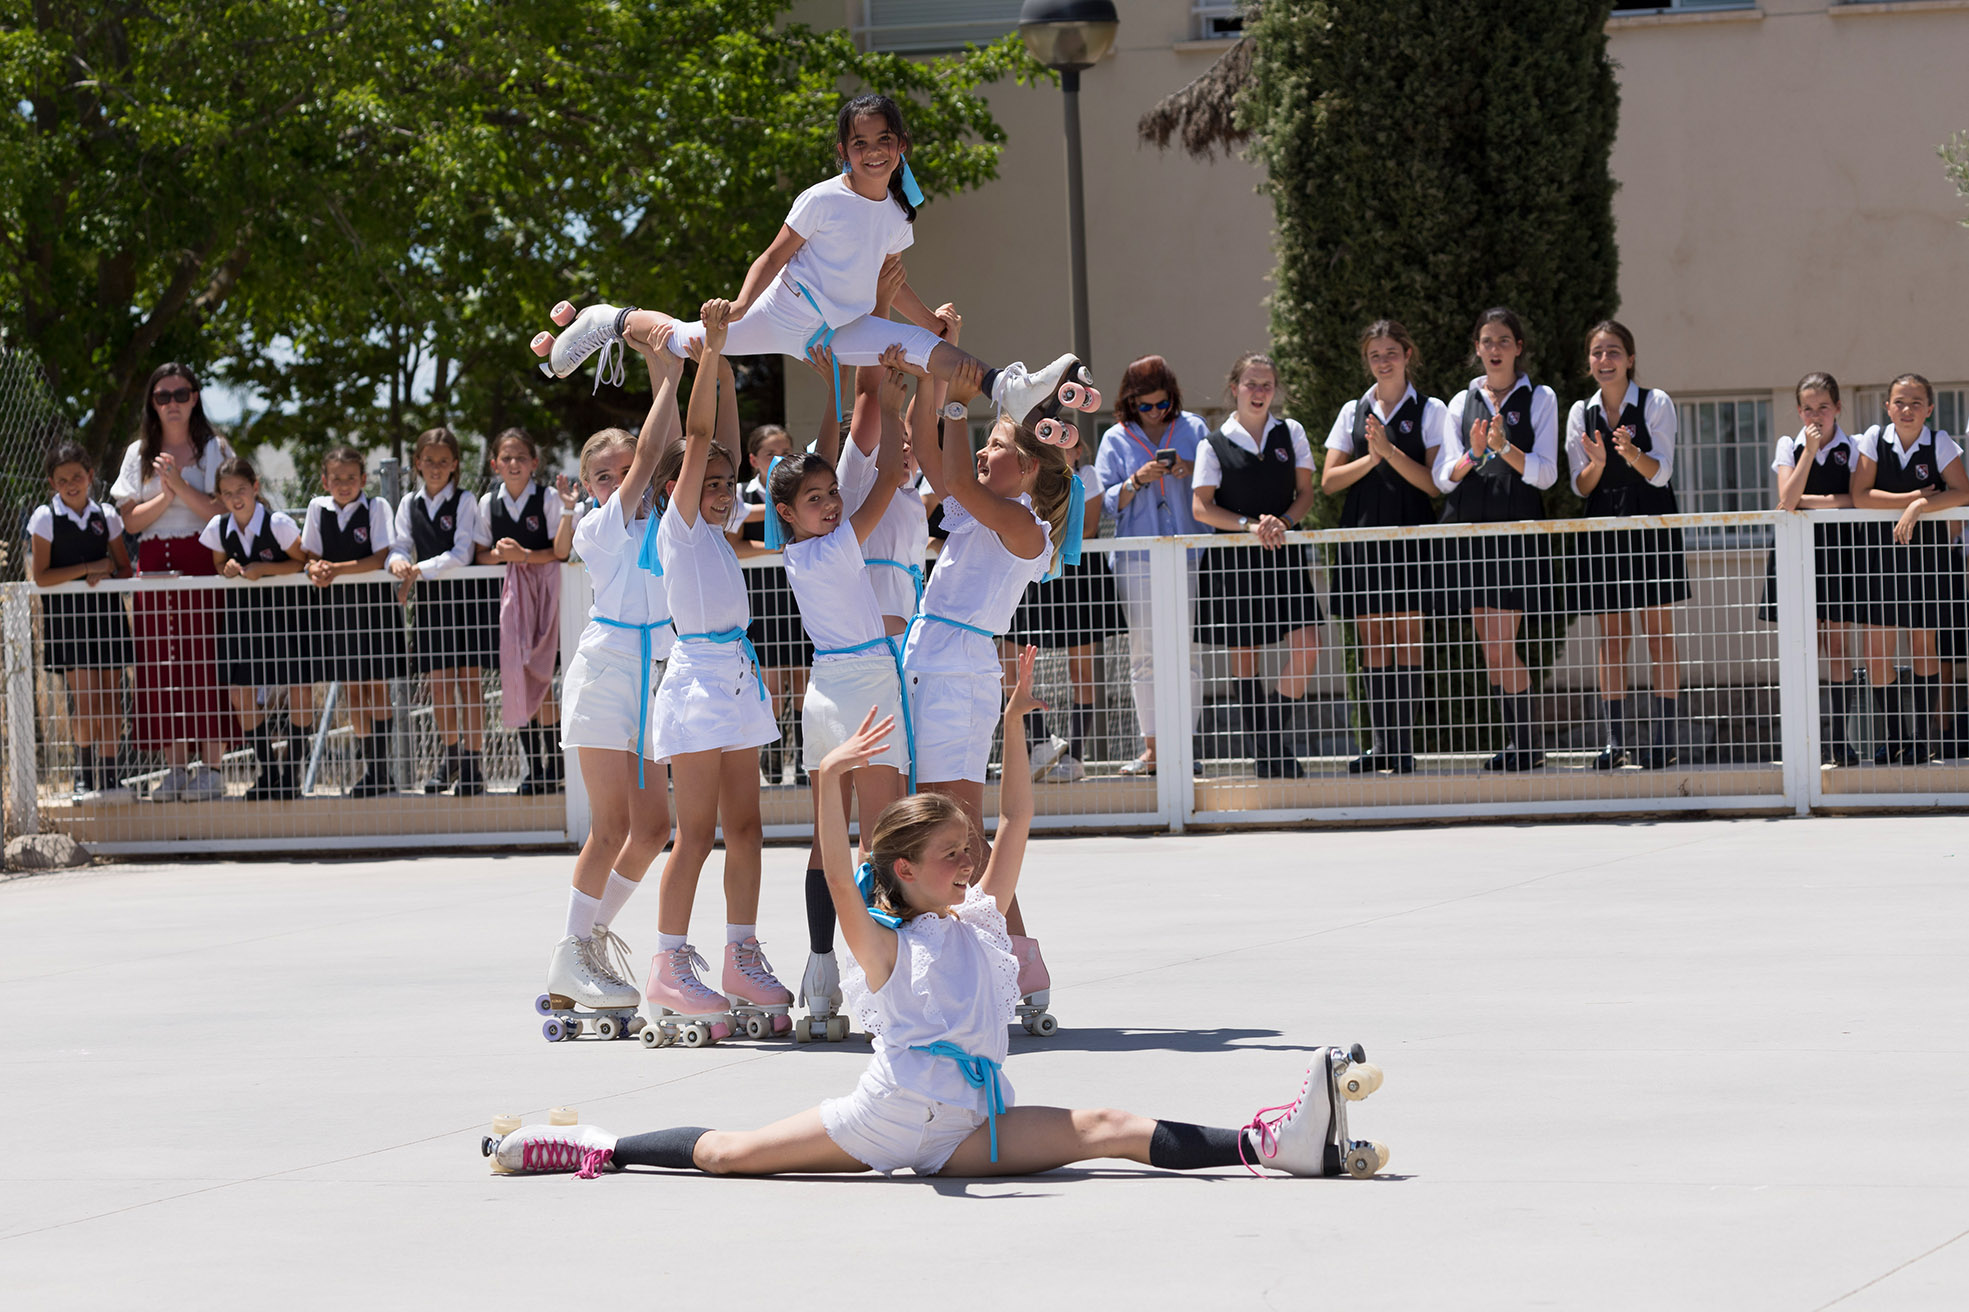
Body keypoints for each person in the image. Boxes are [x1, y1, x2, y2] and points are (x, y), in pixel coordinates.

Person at [482, 657, 1387, 1181]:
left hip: (971, 1128)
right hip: (882, 1120)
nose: (970, 860)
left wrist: (1015, 723)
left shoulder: (982, 918)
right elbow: (841, 877)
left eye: (969, 849)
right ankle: (572, 1143)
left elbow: (1022, 818)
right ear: (905, 870)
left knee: (1108, 1126)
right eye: (953, 853)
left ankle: (1273, 1142)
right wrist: (832, 778)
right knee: (724, 1155)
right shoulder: (886, 938)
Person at [534, 94, 1092, 440]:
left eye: (883, 140)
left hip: (844, 328)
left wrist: (928, 321)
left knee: (925, 351)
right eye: (860, 143)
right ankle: (609, 320)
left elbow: (891, 283)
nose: (873, 151)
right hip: (782, 313)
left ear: (901, 145)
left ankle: (1007, 388)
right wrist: (740, 307)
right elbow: (773, 256)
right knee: (685, 340)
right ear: (844, 151)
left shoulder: (899, 215)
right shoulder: (821, 198)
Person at [903, 357, 1073, 1030]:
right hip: (936, 664)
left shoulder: (1021, 525)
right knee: (958, 831)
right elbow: (927, 454)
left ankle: (997, 960)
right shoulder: (985, 512)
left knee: (956, 833)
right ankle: (1017, 957)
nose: (982, 453)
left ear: (1029, 468)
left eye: (996, 446)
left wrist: (954, 404)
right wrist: (934, 379)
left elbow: (945, 470)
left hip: (954, 672)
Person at [639, 304, 790, 1045]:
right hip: (697, 682)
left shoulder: (720, 531)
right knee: (693, 833)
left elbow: (720, 439)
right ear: (680, 488)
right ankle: (667, 963)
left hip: (736, 678)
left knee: (748, 826)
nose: (723, 490)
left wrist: (724, 370)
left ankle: (739, 953)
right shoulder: (680, 525)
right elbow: (699, 438)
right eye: (710, 482)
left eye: (730, 484)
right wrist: (709, 357)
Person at [542, 327, 687, 1031]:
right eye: (604, 475)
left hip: (652, 673)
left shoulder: (661, 521)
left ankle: (585, 944)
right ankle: (572, 949)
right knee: (609, 829)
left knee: (655, 826)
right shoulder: (601, 525)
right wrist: (663, 375)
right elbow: (654, 452)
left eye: (623, 472)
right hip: (605, 670)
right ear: (588, 485)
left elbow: (670, 447)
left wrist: (666, 363)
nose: (617, 482)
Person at [771, 351, 911, 1041]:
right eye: (816, 500)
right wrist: (884, 384)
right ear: (788, 514)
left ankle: (821, 975)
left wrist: (841, 385)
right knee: (882, 841)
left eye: (831, 495)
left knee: (829, 839)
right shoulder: (836, 545)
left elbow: (824, 460)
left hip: (827, 688)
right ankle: (880, 983)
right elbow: (887, 472)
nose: (830, 504)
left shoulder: (800, 551)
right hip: (865, 688)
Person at [1433, 309, 1558, 772]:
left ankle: (1528, 744)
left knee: (1503, 647)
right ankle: (1521, 743)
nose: (1495, 348)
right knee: (1492, 651)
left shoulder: (1540, 397)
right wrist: (1475, 453)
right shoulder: (1459, 402)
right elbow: (1445, 476)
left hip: (1514, 526)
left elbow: (1546, 474)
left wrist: (1505, 448)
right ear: (1478, 348)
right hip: (1471, 526)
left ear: (1518, 347)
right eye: (1487, 340)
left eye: (1504, 340)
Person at [1564, 320, 1689, 770]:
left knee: (1658, 633)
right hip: (1603, 524)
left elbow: (1662, 473)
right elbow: (1580, 486)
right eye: (1597, 353)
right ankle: (1616, 741)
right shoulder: (1581, 412)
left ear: (1630, 359)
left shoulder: (1655, 403)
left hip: (1651, 518)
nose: (1605, 360)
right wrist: (1597, 463)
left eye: (1613, 351)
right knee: (1612, 637)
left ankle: (1665, 738)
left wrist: (1631, 453)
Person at [111, 362, 237, 802]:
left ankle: (214, 769)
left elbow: (221, 513)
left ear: (195, 397)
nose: (172, 404)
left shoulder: (214, 449)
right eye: (162, 396)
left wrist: (180, 486)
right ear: (152, 402)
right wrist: (165, 493)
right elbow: (130, 520)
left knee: (205, 661)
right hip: (154, 566)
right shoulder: (137, 453)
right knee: (162, 667)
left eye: (180, 394)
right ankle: (177, 768)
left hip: (202, 558)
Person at [1195, 352, 1323, 779]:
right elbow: (1202, 507)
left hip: (1282, 552)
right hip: (1234, 562)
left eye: (1267, 384)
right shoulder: (1212, 443)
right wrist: (1251, 526)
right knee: (1245, 657)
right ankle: (1271, 755)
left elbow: (1305, 493)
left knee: (1308, 646)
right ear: (1235, 388)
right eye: (1251, 384)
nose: (1260, 392)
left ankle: (1268, 741)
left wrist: (1282, 522)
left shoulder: (1293, 433)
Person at [1094, 355, 1207, 777]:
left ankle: (1185, 746)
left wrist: (1186, 469)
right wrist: (1137, 480)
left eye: (1162, 404)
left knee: (1186, 654)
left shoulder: (1194, 428)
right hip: (1136, 557)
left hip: (1186, 552)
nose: (1156, 412)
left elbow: (1216, 482)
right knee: (1144, 655)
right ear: (1130, 403)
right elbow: (1105, 502)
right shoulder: (1116, 438)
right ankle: (1154, 749)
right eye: (1146, 406)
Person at [1850, 373, 1969, 764]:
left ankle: (1922, 738)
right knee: (1876, 651)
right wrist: (1914, 496)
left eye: (1916, 402)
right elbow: (1861, 496)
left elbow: (1962, 492)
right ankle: (1896, 735)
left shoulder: (1940, 442)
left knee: (1923, 645)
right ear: (1888, 407)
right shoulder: (1872, 440)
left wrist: (1919, 509)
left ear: (1929, 410)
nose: (1907, 409)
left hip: (1928, 557)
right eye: (1899, 401)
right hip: (1881, 558)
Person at [1006, 417, 1117, 783]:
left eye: (1067, 440)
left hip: (1078, 576)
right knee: (1016, 660)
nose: (1060, 445)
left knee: (1081, 670)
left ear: (1079, 448)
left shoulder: (1087, 476)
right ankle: (1042, 742)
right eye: (1051, 438)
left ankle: (1076, 757)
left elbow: (1085, 528)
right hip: (1036, 571)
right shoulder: (1032, 475)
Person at [1759, 373, 1861, 766]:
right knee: (1801, 648)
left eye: (1823, 407)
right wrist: (1808, 453)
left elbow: (1857, 498)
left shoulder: (1854, 448)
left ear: (1837, 407)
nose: (1815, 416)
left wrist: (1810, 502)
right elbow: (1787, 500)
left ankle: (1840, 742)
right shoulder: (1791, 444)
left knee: (1836, 646)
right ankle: (1803, 742)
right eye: (1808, 408)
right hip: (1796, 551)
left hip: (1839, 552)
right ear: (1798, 411)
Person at [389, 428, 496, 796]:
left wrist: (417, 570)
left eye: (443, 461)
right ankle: (450, 757)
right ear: (417, 463)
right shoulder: (408, 504)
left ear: (454, 465)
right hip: (431, 606)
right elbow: (400, 544)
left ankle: (473, 764)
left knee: (469, 685)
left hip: (465, 602)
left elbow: (462, 553)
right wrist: (400, 562)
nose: (435, 467)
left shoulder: (466, 501)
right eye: (428, 460)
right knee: (438, 686)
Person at [27, 440, 135, 802]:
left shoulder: (106, 515)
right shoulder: (45, 518)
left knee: (111, 699)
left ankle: (110, 776)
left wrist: (109, 573)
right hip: (69, 619)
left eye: (77, 476)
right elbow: (42, 576)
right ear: (51, 484)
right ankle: (84, 775)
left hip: (106, 615)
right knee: (85, 699)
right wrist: (89, 568)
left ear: (90, 476)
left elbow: (122, 567)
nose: (71, 484)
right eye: (62, 479)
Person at [473, 428, 578, 794]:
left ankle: (554, 765)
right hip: (512, 605)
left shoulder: (548, 498)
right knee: (518, 680)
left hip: (547, 597)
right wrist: (501, 556)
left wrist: (526, 557)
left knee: (543, 679)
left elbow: (560, 551)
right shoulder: (490, 504)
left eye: (521, 457)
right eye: (506, 458)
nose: (513, 463)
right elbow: (479, 553)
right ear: (495, 464)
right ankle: (534, 767)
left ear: (534, 463)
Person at [201, 456, 310, 800]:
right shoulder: (219, 528)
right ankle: (268, 771)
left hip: (285, 614)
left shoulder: (278, 523)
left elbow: (303, 560)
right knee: (239, 693)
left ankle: (292, 771)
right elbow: (219, 564)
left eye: (242, 490)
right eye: (227, 492)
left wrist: (265, 569)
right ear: (219, 496)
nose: (236, 498)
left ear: (255, 488)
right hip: (241, 618)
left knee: (298, 688)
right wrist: (229, 568)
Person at [303, 446, 410, 797]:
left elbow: (379, 557)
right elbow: (312, 554)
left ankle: (382, 771)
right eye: (336, 478)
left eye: (351, 477)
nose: (344, 484)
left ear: (364, 480)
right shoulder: (317, 510)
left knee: (377, 686)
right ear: (325, 480)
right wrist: (315, 568)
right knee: (352, 690)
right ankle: (369, 770)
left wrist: (335, 569)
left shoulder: (377, 507)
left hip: (374, 609)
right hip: (337, 611)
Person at [728, 422, 811, 785]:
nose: (778, 460)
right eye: (769, 454)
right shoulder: (741, 495)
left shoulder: (803, 489)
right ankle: (774, 760)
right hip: (761, 597)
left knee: (804, 682)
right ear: (753, 459)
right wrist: (772, 550)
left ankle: (809, 759)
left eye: (786, 452)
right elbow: (732, 545)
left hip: (801, 597)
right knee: (773, 686)